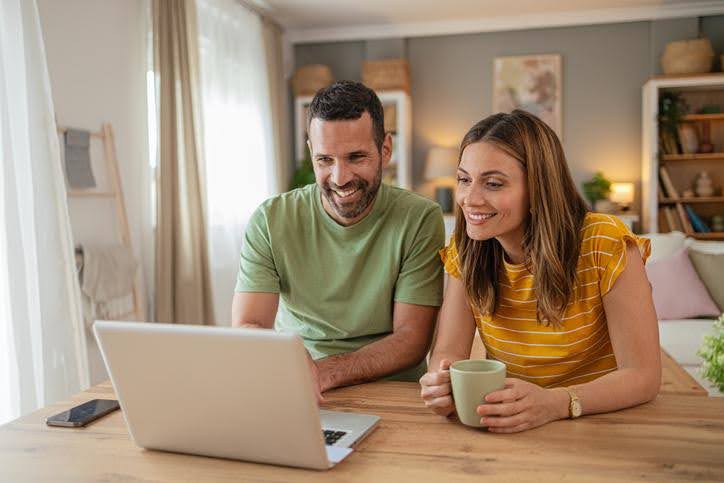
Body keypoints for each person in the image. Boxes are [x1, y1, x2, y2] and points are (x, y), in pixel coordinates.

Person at [420, 110, 661, 433]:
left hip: (601, 424)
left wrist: (556, 403)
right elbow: (448, 353)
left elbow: (643, 376)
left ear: (538, 188)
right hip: (514, 423)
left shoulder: (605, 242)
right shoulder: (465, 250)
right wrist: (440, 382)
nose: (469, 199)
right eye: (464, 179)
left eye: (492, 183)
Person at [232, 81, 444, 399]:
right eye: (325, 160)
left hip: (390, 390)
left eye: (356, 157)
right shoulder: (270, 219)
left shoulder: (420, 218)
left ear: (385, 150)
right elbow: (249, 325)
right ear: (311, 153)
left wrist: (324, 372)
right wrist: (295, 367)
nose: (339, 178)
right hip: (298, 387)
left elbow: (412, 338)